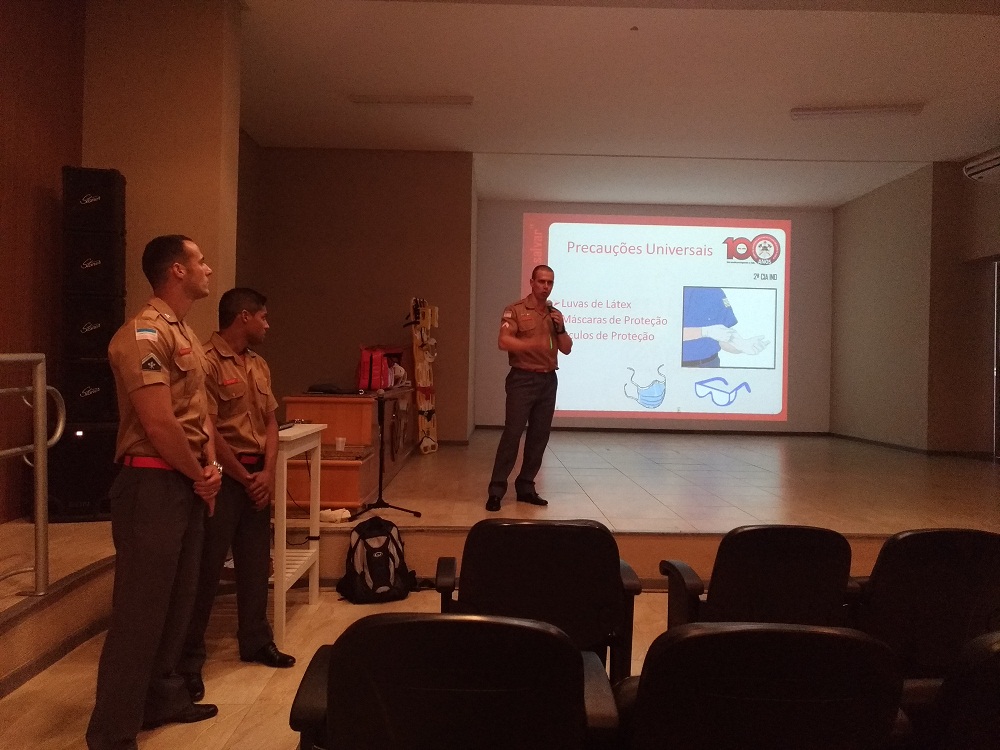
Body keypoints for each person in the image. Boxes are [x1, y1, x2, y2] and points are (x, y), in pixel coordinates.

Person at [87, 235, 222, 750]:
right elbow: (159, 423)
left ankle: (161, 699)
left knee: (177, 604)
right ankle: (112, 733)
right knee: (139, 614)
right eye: (200, 261)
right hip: (152, 483)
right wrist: (199, 474)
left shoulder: (185, 333)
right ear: (177, 270)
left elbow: (200, 414)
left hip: (185, 479)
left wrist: (209, 468)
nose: (208, 269)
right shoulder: (143, 334)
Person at [177, 288, 293, 704]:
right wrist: (244, 477)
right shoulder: (206, 361)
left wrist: (268, 473)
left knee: (255, 564)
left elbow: (271, 424)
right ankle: (189, 658)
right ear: (244, 316)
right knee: (206, 569)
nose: (267, 324)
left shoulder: (258, 364)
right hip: (226, 477)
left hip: (257, 476)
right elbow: (207, 427)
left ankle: (256, 641)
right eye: (263, 317)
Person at [486, 264, 572, 511]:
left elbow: (566, 348)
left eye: (550, 283)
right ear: (532, 282)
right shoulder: (515, 310)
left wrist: (561, 328)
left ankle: (525, 486)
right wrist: (531, 346)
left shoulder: (554, 314)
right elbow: (503, 341)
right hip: (522, 379)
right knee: (512, 435)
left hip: (548, 381)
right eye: (541, 281)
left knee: (539, 437)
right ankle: (496, 490)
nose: (545, 286)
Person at [681, 286, 769, 367]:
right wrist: (704, 332)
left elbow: (723, 340)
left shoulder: (715, 292)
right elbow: (672, 333)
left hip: (711, 364)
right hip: (679, 366)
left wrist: (742, 346)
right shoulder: (678, 288)